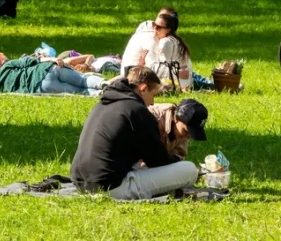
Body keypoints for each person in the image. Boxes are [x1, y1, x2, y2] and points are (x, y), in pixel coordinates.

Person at [70, 67, 199, 200]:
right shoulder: (137, 111)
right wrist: (176, 160)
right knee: (189, 169)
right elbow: (157, 160)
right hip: (110, 187)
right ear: (143, 89)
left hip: (80, 183)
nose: (153, 102)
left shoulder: (102, 105)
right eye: (153, 95)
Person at [0, 52, 105, 95]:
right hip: (47, 69)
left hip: (41, 87)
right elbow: (29, 61)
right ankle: (102, 83)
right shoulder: (8, 64)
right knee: (82, 79)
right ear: (0, 62)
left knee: (79, 91)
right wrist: (52, 59)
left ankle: (99, 93)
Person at [120, 7, 177, 76]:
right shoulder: (151, 38)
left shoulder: (153, 34)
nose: (155, 28)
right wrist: (178, 72)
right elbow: (152, 68)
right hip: (134, 77)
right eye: (155, 25)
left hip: (132, 73)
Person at [148, 10, 194, 91]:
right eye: (154, 25)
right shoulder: (176, 40)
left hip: (175, 85)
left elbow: (166, 69)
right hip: (187, 83)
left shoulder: (165, 42)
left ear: (167, 30)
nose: (155, 29)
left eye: (158, 27)